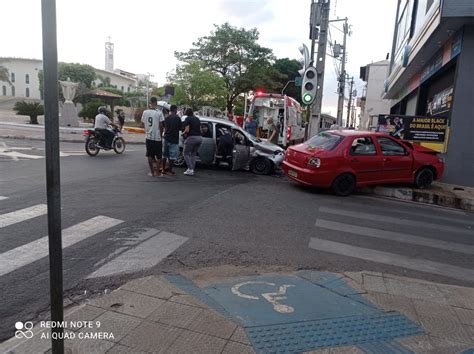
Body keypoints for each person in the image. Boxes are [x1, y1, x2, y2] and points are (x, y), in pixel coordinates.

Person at [141, 97, 165, 177]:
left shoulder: (145, 112)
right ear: (156, 103)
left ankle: (151, 172)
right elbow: (161, 125)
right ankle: (158, 172)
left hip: (148, 137)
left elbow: (143, 122)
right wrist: (161, 135)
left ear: (150, 103)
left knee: (149, 155)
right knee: (159, 156)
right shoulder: (159, 112)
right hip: (157, 137)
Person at [162, 105, 182, 175]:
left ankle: (163, 170)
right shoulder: (178, 118)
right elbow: (180, 128)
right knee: (172, 156)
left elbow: (164, 127)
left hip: (166, 138)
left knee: (164, 155)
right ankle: (170, 171)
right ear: (175, 110)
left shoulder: (166, 118)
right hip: (174, 139)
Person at [182, 108, 202, 176]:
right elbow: (200, 129)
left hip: (192, 137)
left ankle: (190, 169)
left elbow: (187, 130)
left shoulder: (187, 119)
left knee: (185, 153)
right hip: (199, 138)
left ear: (187, 113)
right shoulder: (197, 119)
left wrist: (183, 133)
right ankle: (191, 169)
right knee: (193, 154)